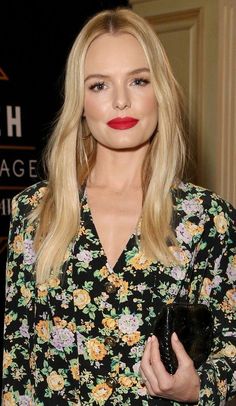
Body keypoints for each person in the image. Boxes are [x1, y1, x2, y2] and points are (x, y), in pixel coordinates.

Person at [2, 7, 236, 406]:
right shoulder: (35, 209)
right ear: (80, 100)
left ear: (160, 91)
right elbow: (17, 361)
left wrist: (197, 387)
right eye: (99, 86)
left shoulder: (207, 217)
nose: (122, 101)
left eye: (138, 81)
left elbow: (231, 341)